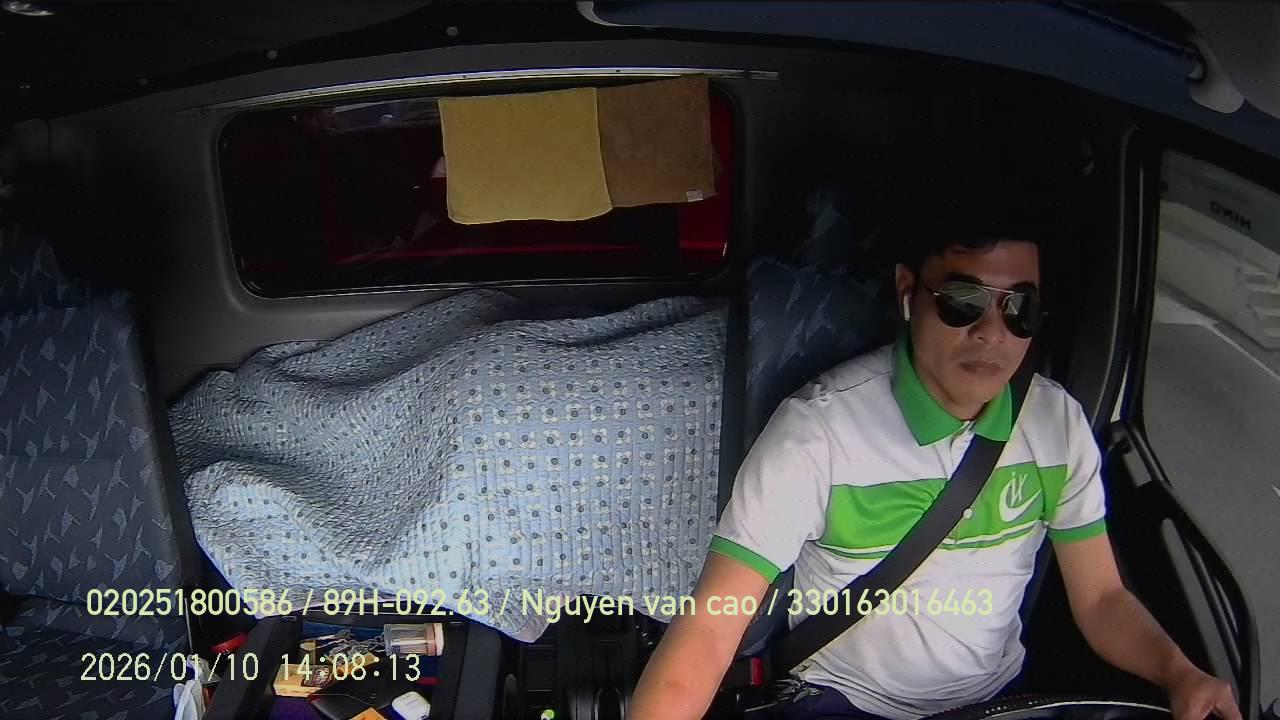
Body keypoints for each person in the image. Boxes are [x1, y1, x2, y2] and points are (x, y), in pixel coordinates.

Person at [629, 196, 1241, 720]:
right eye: (964, 301)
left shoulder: (1056, 425)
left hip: (997, 701)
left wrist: (1180, 673)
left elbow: (1102, 599)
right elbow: (713, 625)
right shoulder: (818, 432)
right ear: (908, 292)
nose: (992, 333)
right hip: (845, 702)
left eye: (1019, 308)